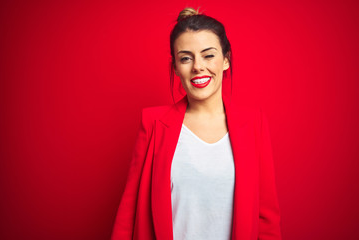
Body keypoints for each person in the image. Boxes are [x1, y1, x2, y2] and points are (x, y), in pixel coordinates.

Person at [111, 7, 282, 240]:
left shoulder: (253, 124)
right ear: (175, 68)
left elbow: (266, 218)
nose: (198, 66)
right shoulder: (153, 124)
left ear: (226, 60)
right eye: (185, 58)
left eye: (208, 55)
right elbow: (128, 214)